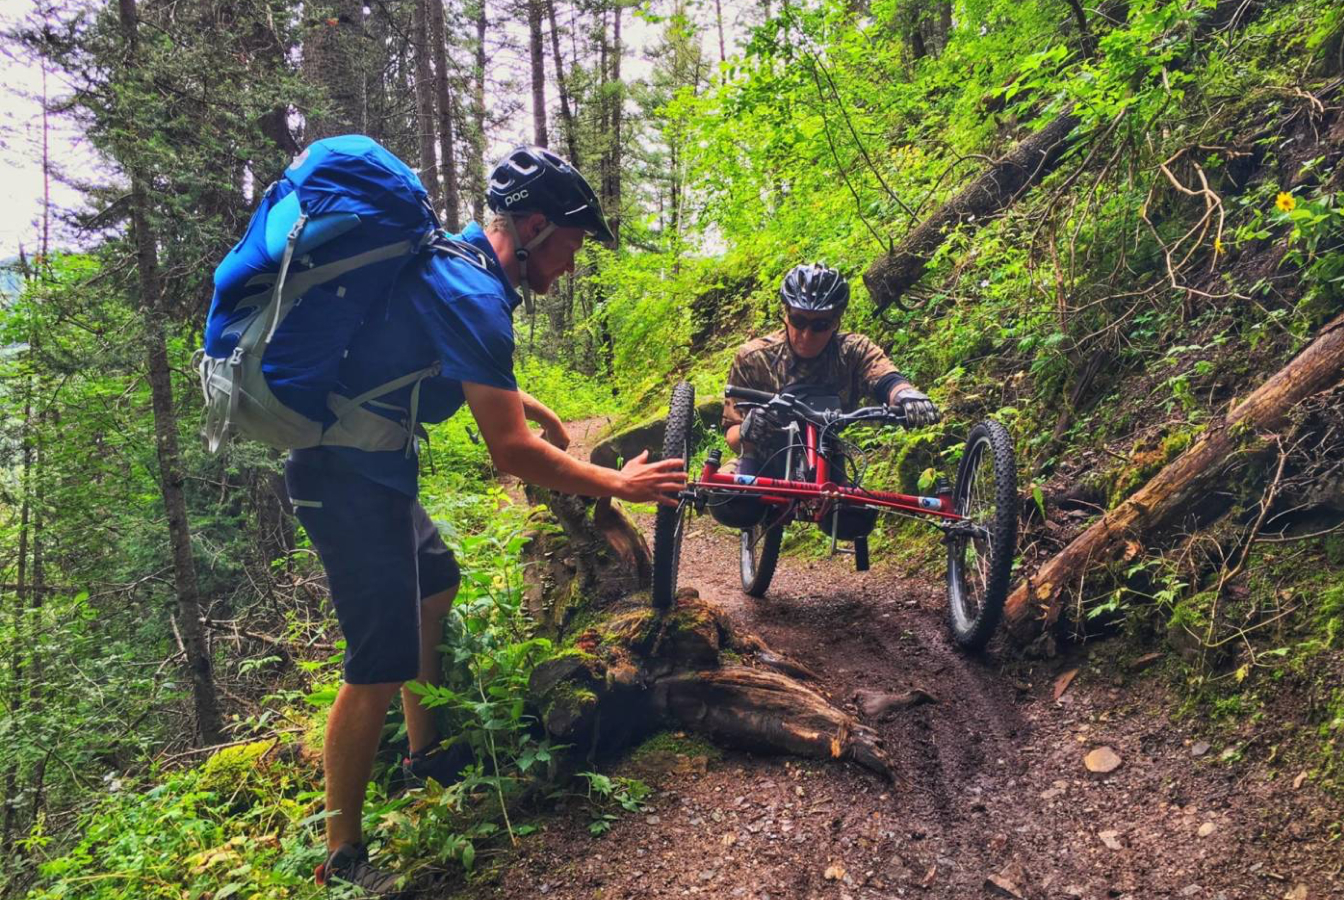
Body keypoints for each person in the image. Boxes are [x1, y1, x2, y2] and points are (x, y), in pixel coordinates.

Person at [294, 146, 686, 896]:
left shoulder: (463, 269)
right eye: (570, 245)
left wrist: (530, 402)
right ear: (535, 227)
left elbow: (449, 362)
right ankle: (340, 857)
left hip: (371, 469)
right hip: (343, 478)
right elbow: (511, 455)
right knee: (376, 660)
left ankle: (424, 755)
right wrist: (618, 483)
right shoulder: (474, 291)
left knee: (434, 583)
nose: (571, 264)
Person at [713, 262, 939, 534]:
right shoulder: (754, 357)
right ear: (785, 314)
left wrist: (907, 396)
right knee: (731, 502)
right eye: (798, 320)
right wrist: (750, 428)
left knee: (852, 521)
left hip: (829, 457)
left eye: (820, 325)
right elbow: (732, 432)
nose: (807, 334)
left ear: (836, 322)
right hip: (760, 455)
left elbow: (886, 378)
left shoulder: (853, 351)